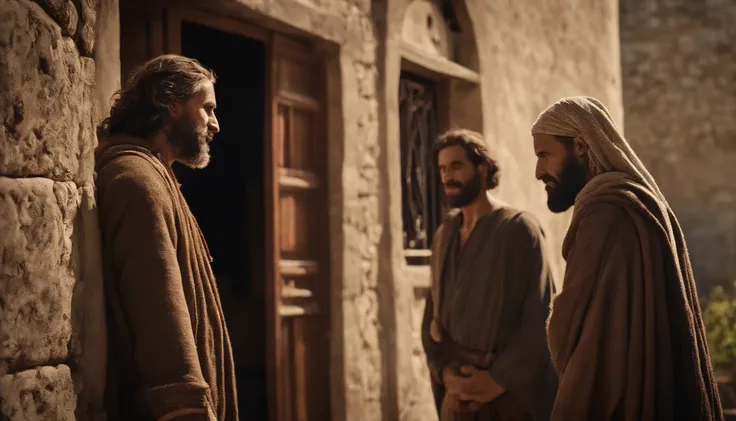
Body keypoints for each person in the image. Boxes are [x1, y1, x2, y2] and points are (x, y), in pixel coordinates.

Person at [531, 96, 723, 420]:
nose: (538, 171)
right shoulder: (638, 202)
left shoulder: (606, 213)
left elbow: (579, 332)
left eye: (545, 155)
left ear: (580, 146)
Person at [95, 54, 238, 421]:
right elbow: (159, 312)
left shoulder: (155, 178)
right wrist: (184, 410)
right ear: (170, 103)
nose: (215, 124)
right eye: (207, 108)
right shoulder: (137, 181)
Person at [421, 129, 558, 421]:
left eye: (457, 166)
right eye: (443, 169)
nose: (448, 176)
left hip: (507, 397)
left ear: (482, 169)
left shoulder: (520, 230)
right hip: (456, 397)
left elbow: (540, 317)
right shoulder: (444, 236)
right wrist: (447, 376)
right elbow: (430, 319)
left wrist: (495, 381)